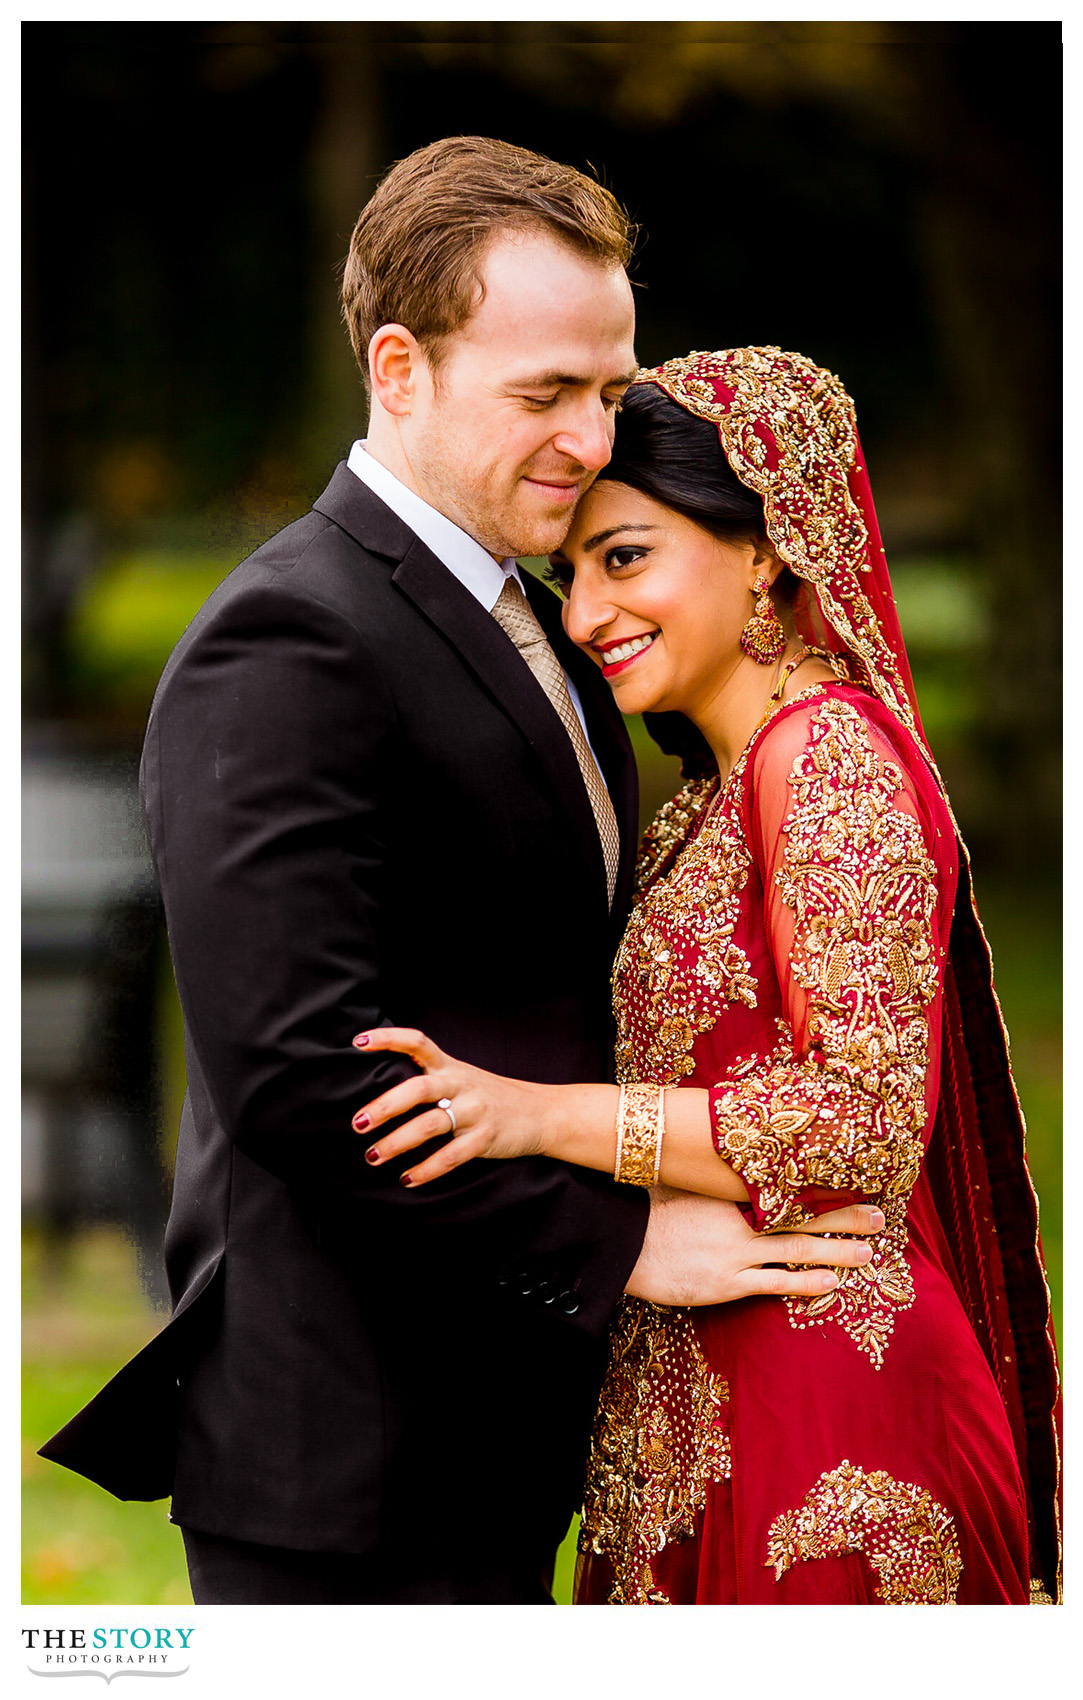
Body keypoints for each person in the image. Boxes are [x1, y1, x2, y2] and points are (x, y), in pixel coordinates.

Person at [39, 145, 879, 1606]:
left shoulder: (542, 617)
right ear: (398, 367)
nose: (584, 437)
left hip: (509, 1426)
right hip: (347, 1451)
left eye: (606, 391)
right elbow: (301, 1078)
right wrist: (619, 1242)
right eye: (540, 394)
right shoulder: (286, 642)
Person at [354, 346, 1062, 1605]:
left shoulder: (829, 756)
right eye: (570, 573)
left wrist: (535, 1113)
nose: (583, 616)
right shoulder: (710, 797)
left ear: (770, 546)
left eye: (626, 556)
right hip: (704, 1397)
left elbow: (860, 1119)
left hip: (831, 1418)